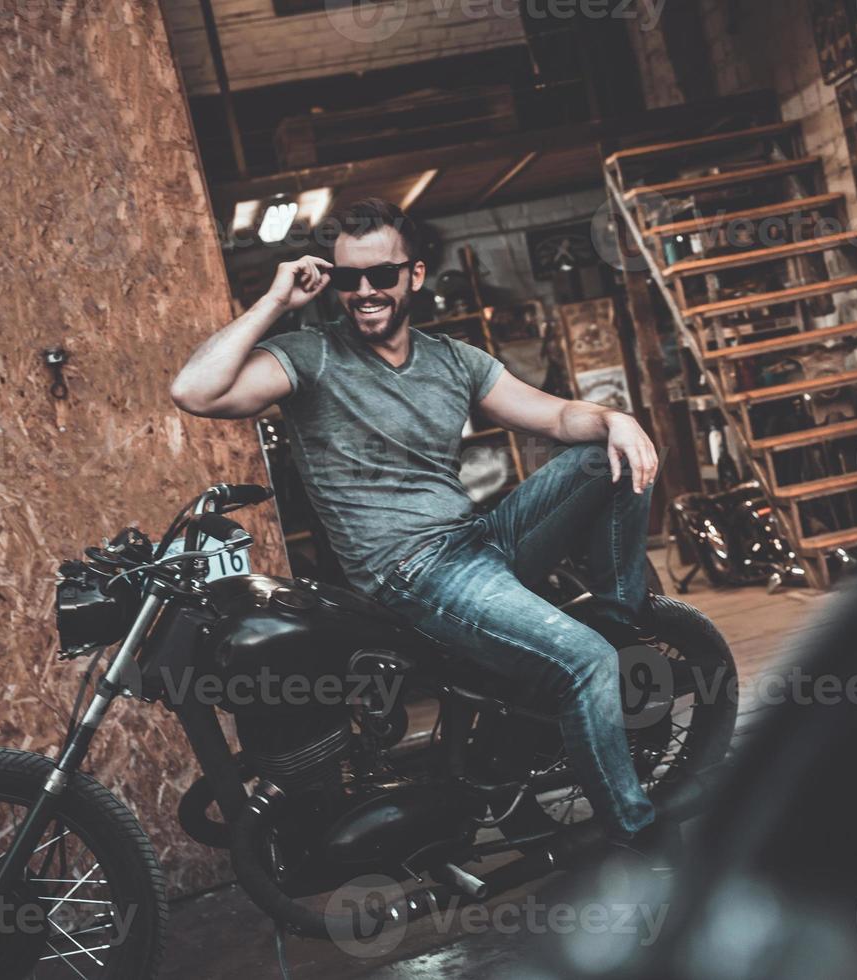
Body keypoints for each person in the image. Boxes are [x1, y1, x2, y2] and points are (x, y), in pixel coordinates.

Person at [170, 198, 670, 856]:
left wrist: (616, 419)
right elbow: (195, 392)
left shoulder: (453, 361)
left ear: (415, 275)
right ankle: (641, 843)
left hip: (479, 540)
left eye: (382, 275)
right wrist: (274, 301)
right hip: (414, 574)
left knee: (605, 454)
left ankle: (616, 613)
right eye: (349, 280)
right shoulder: (311, 357)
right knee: (587, 666)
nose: (365, 292)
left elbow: (552, 418)